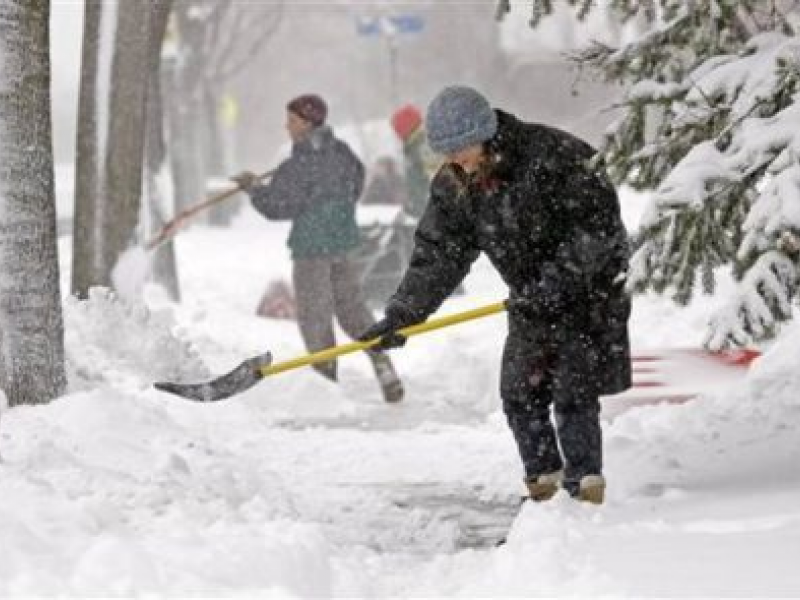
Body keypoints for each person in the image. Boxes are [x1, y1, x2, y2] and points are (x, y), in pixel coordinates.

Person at [360, 86, 631, 503]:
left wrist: (556, 283)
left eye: (461, 147)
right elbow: (439, 256)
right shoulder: (455, 183)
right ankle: (545, 488)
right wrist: (403, 315)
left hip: (587, 295)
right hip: (529, 301)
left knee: (573, 393)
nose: (454, 159)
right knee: (520, 392)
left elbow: (598, 231)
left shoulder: (554, 155)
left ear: (484, 133)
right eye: (445, 151)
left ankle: (585, 491)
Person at [232, 93, 403, 403]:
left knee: (315, 315)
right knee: (352, 309)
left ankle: (327, 384)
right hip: (344, 244)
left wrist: (254, 188)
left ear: (307, 122)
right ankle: (383, 365)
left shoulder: (298, 164)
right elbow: (357, 183)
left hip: (311, 248)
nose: (287, 126)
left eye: (292, 120)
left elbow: (277, 206)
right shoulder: (343, 153)